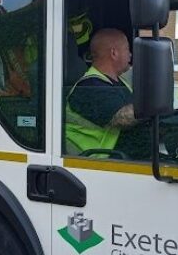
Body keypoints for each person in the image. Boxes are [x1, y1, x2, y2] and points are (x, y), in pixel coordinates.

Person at [64, 28, 150, 158]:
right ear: (114, 53)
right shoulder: (90, 87)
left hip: (125, 161)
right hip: (97, 165)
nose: (130, 55)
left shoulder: (120, 82)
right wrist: (156, 102)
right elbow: (123, 119)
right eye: (127, 49)